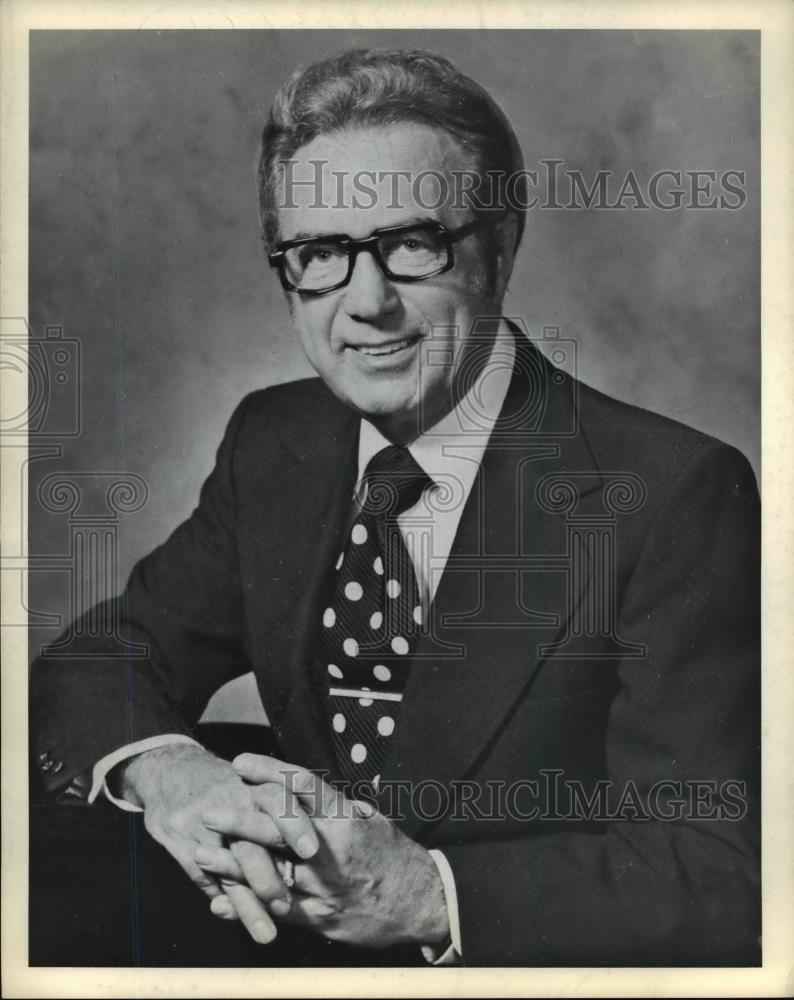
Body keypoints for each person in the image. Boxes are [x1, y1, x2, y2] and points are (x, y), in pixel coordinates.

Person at [30, 48, 760, 966]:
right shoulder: (275, 441)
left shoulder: (675, 492)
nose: (365, 303)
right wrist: (171, 772)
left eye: (413, 244)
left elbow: (716, 872)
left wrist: (424, 897)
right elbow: (107, 656)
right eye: (320, 255)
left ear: (500, 247)